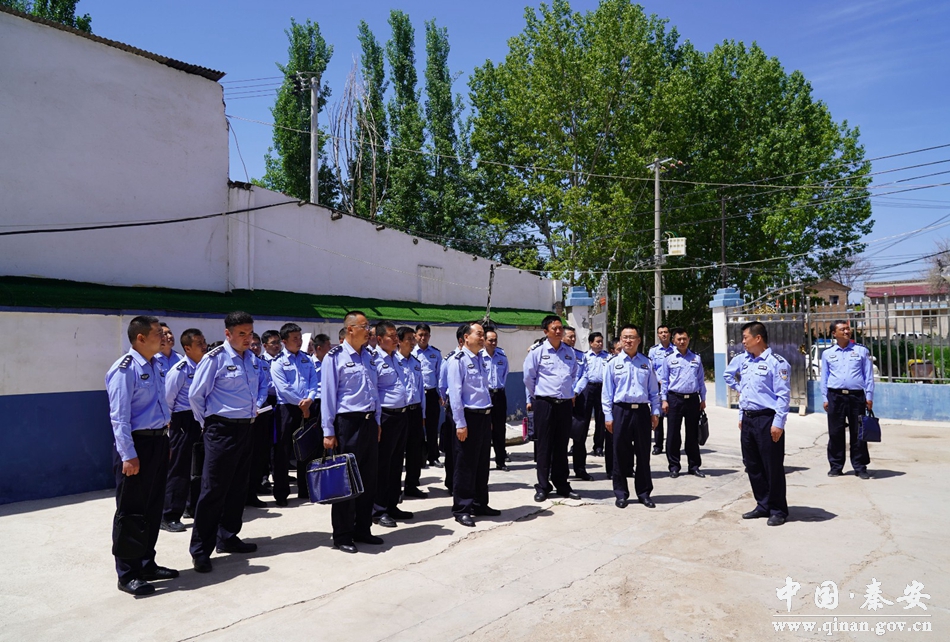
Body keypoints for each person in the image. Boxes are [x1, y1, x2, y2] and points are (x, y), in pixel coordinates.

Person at [188, 311, 268, 573]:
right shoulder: (215, 358)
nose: (247, 338)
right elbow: (196, 396)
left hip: (247, 427)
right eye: (241, 334)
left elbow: (257, 389)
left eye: (250, 333)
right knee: (213, 490)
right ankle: (201, 549)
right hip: (221, 430)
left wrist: (253, 408)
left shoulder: (252, 359)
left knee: (238, 486)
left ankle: (228, 536)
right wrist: (208, 424)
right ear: (228, 334)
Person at [106, 315, 178, 596]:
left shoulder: (156, 364)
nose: (164, 337)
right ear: (140, 338)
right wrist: (128, 455)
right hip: (136, 446)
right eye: (158, 333)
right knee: (132, 510)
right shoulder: (125, 369)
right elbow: (119, 417)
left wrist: (165, 441)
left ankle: (147, 562)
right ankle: (128, 573)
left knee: (153, 507)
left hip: (158, 441)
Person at [321, 311, 382, 554]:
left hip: (368, 422)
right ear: (350, 329)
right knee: (346, 480)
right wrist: (328, 430)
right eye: (365, 327)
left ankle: (363, 528)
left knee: (368, 478)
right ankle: (343, 534)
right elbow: (328, 395)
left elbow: (374, 391)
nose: (369, 331)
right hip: (347, 424)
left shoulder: (369, 356)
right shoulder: (334, 357)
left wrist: (377, 421)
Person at [723, 321, 791, 526]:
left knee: (772, 466)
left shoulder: (777, 363)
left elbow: (783, 396)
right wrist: (741, 416)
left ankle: (778, 509)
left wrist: (779, 423)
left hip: (767, 419)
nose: (743, 341)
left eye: (745, 337)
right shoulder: (744, 361)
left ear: (758, 338)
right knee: (752, 465)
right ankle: (763, 504)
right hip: (748, 419)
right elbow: (743, 389)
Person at [523, 315, 581, 502]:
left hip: (564, 404)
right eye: (554, 328)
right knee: (544, 445)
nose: (558, 331)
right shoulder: (537, 351)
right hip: (545, 403)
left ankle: (562, 484)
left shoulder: (569, 352)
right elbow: (528, 377)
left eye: (560, 328)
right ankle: (543, 486)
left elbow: (573, 374)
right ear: (545, 331)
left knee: (561, 445)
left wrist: (567, 392)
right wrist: (538, 396)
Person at [446, 322, 499, 526]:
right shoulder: (457, 360)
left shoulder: (480, 359)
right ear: (466, 337)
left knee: (482, 463)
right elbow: (455, 395)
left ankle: (480, 503)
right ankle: (462, 508)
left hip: (483, 416)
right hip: (468, 417)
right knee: (465, 464)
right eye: (479, 334)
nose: (482, 337)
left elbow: (483, 390)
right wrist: (460, 423)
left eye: (483, 334)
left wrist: (488, 417)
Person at [601, 324, 660, 509]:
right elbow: (607, 393)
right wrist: (608, 415)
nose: (628, 341)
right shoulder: (613, 363)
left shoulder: (646, 363)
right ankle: (621, 494)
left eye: (632, 337)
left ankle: (644, 493)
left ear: (638, 340)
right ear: (620, 340)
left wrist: (655, 412)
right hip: (621, 411)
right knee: (619, 453)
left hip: (641, 411)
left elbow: (654, 391)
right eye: (625, 337)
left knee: (643, 453)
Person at [161, 328, 208, 532]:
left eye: (204, 342)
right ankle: (169, 514)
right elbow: (167, 400)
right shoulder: (179, 370)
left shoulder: (206, 366)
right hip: (183, 420)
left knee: (199, 467)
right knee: (179, 468)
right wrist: (170, 423)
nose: (204, 346)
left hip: (202, 418)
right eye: (199, 343)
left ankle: (193, 506)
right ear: (188, 348)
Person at [270, 323, 320, 506]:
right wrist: (302, 403)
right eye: (294, 338)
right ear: (284, 341)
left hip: (307, 406)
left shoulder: (307, 359)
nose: (299, 341)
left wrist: (310, 399)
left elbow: (314, 381)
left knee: (307, 449)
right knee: (283, 452)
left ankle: (305, 489)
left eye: (299, 338)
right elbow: (283, 388)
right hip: (287, 409)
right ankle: (281, 493)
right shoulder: (278, 362)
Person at [820, 320, 873, 479]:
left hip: (856, 396)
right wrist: (825, 398)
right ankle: (836, 466)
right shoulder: (828, 353)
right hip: (835, 396)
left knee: (858, 432)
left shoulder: (861, 351)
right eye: (842, 329)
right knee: (835, 432)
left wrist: (869, 396)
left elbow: (868, 376)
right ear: (834, 333)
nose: (846, 331)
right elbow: (824, 377)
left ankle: (860, 467)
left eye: (848, 329)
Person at [372, 321, 413, 527]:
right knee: (383, 465)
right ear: (380, 339)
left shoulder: (396, 358)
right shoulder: (374, 360)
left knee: (397, 463)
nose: (396, 339)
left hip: (401, 415)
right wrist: (377, 421)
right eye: (391, 336)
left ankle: (392, 504)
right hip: (386, 416)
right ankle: (379, 510)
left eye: (396, 335)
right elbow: (373, 393)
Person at [658, 327, 707, 478]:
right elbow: (664, 381)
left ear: (688, 340)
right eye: (679, 339)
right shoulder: (669, 359)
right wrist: (664, 400)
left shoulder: (696, 358)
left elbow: (701, 380)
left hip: (692, 399)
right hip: (674, 399)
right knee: (673, 434)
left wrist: (703, 399)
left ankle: (694, 466)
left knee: (692, 434)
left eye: (684, 339)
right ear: (674, 341)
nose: (682, 341)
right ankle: (674, 466)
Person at [397, 326, 428, 499]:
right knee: (397, 450)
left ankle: (412, 484)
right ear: (399, 341)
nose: (412, 342)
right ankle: (395, 488)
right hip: (400, 412)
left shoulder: (416, 363)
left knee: (415, 450)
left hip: (415, 411)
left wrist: (423, 415)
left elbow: (420, 389)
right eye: (409, 338)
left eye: (412, 338)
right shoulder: (394, 361)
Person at [574, 332, 609, 477]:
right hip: (587, 388)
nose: (600, 344)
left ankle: (598, 445)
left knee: (601, 418)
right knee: (584, 419)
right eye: (597, 342)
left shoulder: (607, 357)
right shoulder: (585, 357)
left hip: (602, 388)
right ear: (590, 343)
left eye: (601, 341)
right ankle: (578, 443)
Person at [439, 328, 465, 493]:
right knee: (453, 449)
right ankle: (451, 483)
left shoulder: (477, 358)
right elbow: (442, 385)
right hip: (454, 408)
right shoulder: (450, 359)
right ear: (462, 340)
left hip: (470, 410)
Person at [413, 323, 444, 469]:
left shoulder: (435, 353)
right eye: (420, 334)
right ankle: (419, 457)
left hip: (431, 394)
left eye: (426, 335)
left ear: (429, 336)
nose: (423, 337)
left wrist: (441, 394)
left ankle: (433, 456)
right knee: (417, 427)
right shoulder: (411, 352)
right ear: (415, 336)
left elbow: (439, 376)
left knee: (432, 426)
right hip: (416, 396)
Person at [563, 327, 591, 480]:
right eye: (570, 337)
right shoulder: (557, 355)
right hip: (561, 398)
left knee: (579, 436)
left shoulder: (581, 355)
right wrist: (567, 393)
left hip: (578, 398)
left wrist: (575, 392)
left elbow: (585, 375)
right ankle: (558, 471)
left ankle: (580, 469)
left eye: (574, 337)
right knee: (560, 438)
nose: (573, 340)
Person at [481, 327, 510, 471]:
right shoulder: (479, 357)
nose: (493, 343)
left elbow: (505, 374)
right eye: (490, 340)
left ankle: (500, 460)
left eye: (495, 340)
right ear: (484, 341)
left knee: (499, 429)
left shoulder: (501, 356)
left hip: (499, 395)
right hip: (485, 395)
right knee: (484, 430)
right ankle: (483, 462)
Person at [647, 325, 674, 456]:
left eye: (665, 332)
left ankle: (672, 445)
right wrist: (658, 380)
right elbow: (650, 368)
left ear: (669, 334)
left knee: (673, 418)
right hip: (658, 386)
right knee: (658, 415)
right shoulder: (653, 351)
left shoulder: (675, 349)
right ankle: (658, 445)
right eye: (661, 332)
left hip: (672, 387)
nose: (663, 334)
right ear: (658, 335)